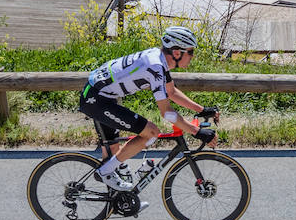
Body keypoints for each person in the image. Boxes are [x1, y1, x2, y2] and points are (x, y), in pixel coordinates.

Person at [79, 26, 217, 191]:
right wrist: (196, 131)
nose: (193, 56)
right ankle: (104, 173)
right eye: (191, 52)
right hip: (97, 100)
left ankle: (117, 198)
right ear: (177, 53)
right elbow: (166, 112)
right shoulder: (156, 67)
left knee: (114, 155)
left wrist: (201, 109)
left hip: (101, 95)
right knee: (151, 132)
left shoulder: (158, 58)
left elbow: (171, 92)